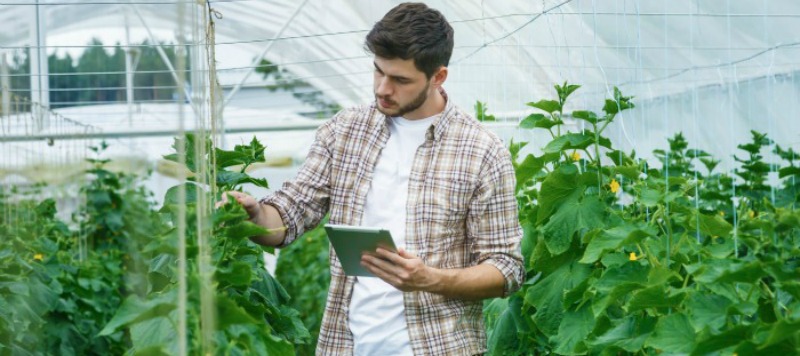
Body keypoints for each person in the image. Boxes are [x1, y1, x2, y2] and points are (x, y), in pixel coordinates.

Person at [221, 3, 523, 355]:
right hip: (350, 345)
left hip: (439, 346)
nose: (382, 88)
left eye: (400, 80)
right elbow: (288, 216)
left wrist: (430, 278)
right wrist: (255, 215)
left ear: (438, 77)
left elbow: (506, 268)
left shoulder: (481, 151)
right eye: (378, 71)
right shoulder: (345, 132)